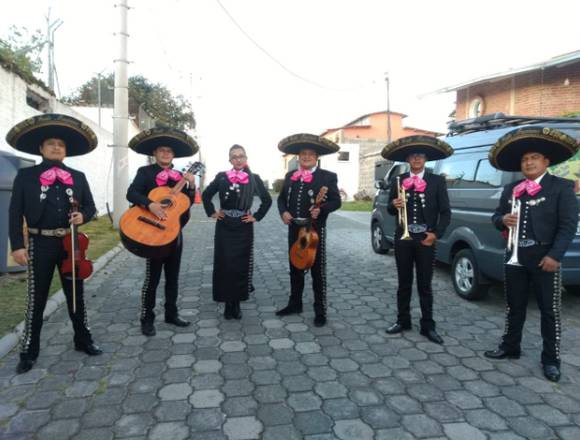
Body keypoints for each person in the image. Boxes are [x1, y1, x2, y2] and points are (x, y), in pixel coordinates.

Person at [7, 113, 102, 374]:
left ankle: (83, 340)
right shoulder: (26, 177)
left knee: (76, 296)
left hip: (71, 244)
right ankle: (29, 350)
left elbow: (91, 206)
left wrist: (84, 215)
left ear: (65, 150)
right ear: (41, 148)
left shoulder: (78, 176)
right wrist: (17, 245)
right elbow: (14, 213)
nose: (56, 147)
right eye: (51, 144)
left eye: (60, 144)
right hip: (40, 243)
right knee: (36, 299)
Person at [484, 127, 579, 382]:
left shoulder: (562, 187)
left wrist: (555, 256)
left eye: (534, 158)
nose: (528, 162)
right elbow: (495, 217)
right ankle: (510, 346)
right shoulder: (511, 189)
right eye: (525, 159)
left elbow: (568, 226)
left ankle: (551, 360)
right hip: (515, 256)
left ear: (546, 162)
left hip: (545, 258)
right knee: (514, 306)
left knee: (549, 311)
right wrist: (502, 219)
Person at [126, 128, 199, 336]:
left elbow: (187, 203)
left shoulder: (181, 177)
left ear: (173, 155)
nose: (166, 154)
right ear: (155, 153)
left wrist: (192, 186)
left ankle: (171, 313)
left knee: (173, 276)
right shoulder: (145, 173)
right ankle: (147, 318)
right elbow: (131, 193)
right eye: (162, 150)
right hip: (152, 232)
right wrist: (150, 204)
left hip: (174, 232)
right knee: (153, 277)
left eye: (169, 151)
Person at [382, 136, 453, 344]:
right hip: (403, 238)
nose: (416, 159)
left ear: (425, 159)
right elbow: (389, 209)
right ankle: (402, 320)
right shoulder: (399, 180)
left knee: (425, 285)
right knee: (404, 283)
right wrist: (394, 204)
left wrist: (435, 234)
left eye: (420, 156)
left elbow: (446, 212)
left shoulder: (436, 180)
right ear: (408, 159)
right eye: (413, 156)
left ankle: (427, 326)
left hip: (425, 239)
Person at [276, 133, 341, 327]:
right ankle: (295, 303)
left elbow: (336, 201)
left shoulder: (327, 177)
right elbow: (280, 199)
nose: (306, 157)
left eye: (310, 154)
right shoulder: (290, 176)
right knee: (295, 266)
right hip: (294, 228)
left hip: (314, 230)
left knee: (317, 270)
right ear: (298, 156)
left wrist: (321, 209)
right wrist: (284, 212)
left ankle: (320, 311)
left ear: (317, 157)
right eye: (303, 154)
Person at [202, 144, 272, 319]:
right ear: (230, 160)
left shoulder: (254, 178)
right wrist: (212, 212)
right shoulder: (222, 177)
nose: (238, 159)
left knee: (240, 265)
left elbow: (267, 200)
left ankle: (237, 303)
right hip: (224, 224)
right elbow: (205, 195)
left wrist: (256, 216)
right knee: (225, 264)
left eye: (241, 156)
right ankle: (227, 303)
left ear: (246, 158)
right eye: (234, 156)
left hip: (243, 225)